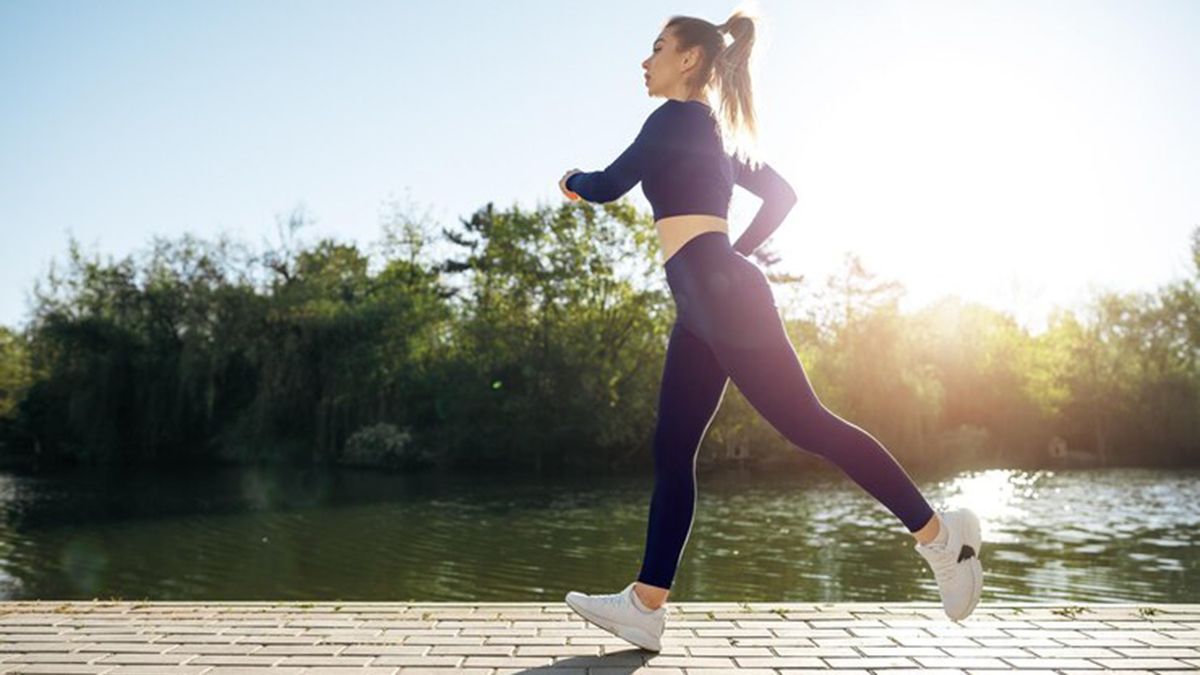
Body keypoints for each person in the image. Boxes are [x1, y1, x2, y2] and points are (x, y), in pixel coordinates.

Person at [559, 10, 984, 652]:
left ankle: (941, 539)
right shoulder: (716, 136)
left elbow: (609, 185)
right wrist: (737, 258)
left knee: (807, 424)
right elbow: (781, 195)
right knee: (671, 448)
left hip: (720, 298)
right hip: (704, 305)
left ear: (690, 61)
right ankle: (647, 605)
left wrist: (570, 181)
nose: (644, 61)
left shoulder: (674, 119)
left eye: (656, 48)